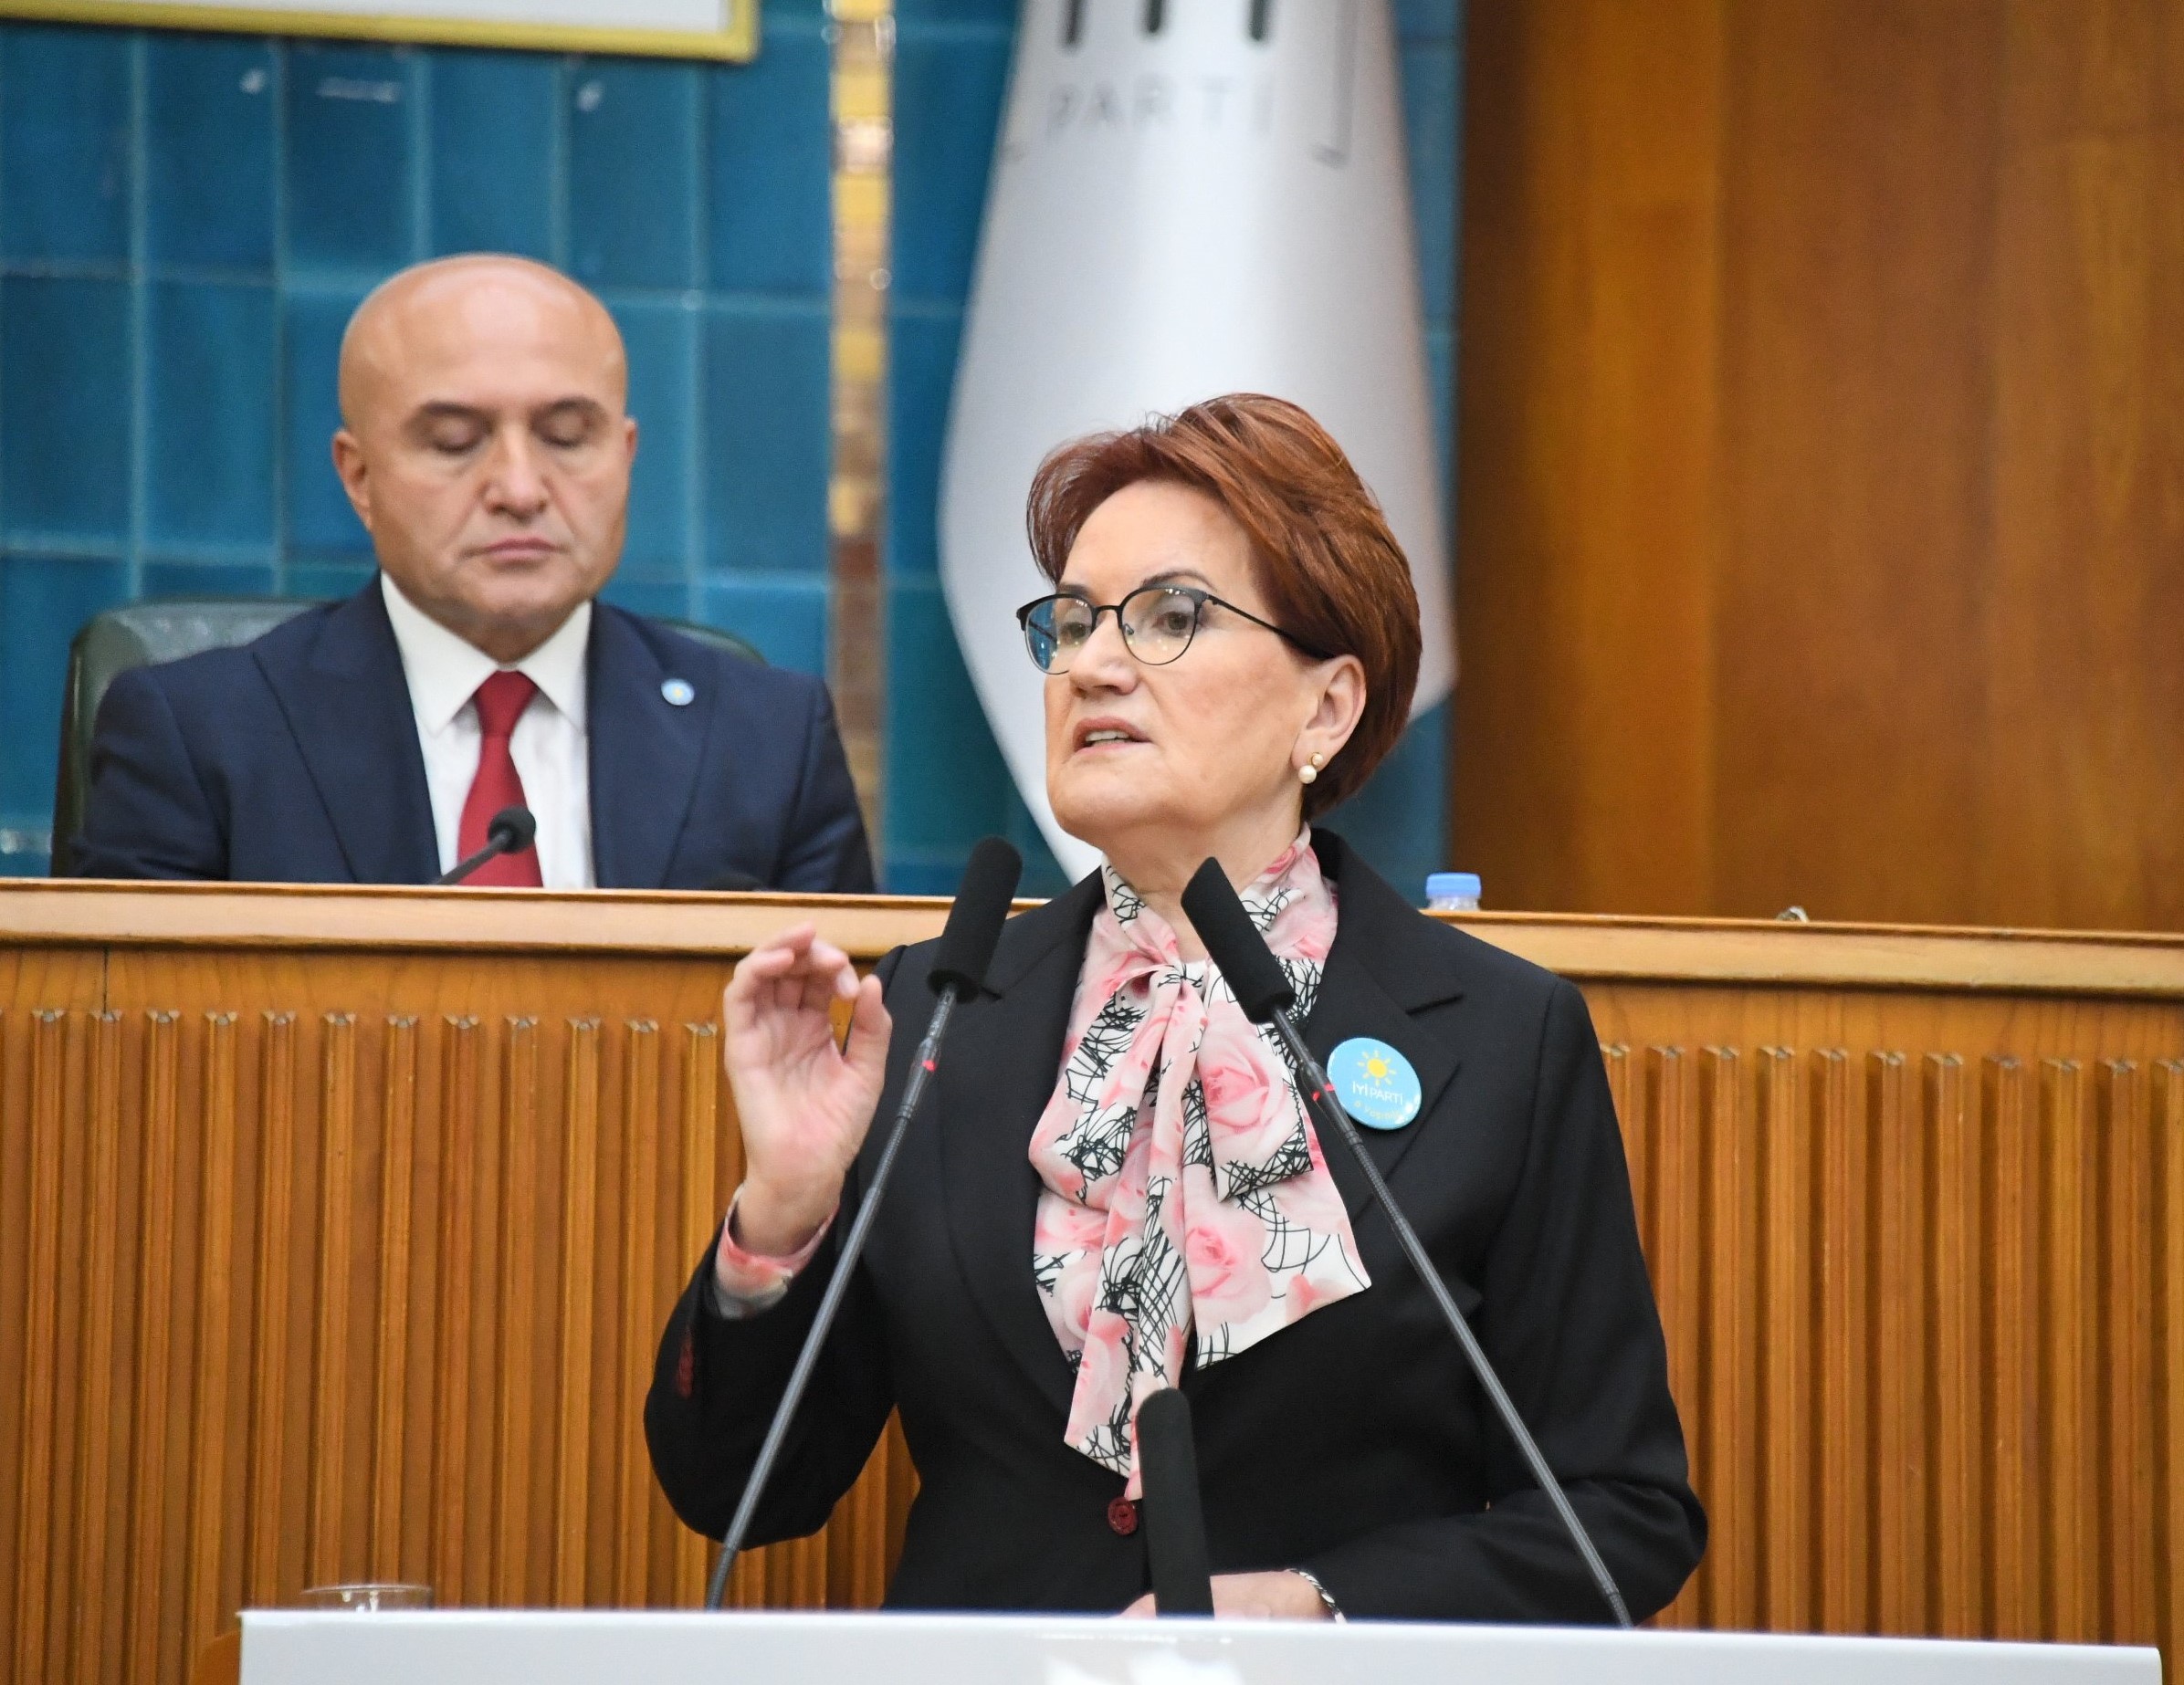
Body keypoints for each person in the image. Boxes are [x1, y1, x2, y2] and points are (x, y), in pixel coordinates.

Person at [646, 394, 1704, 1618]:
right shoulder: (941, 1012)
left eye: (1169, 617)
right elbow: (741, 1491)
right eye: (1075, 621)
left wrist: (1319, 1605)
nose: (1093, 660)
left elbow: (1621, 1516)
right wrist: (781, 1211)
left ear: (1327, 706)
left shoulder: (1498, 1037)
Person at [69, 254, 872, 893]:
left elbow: (843, 1060)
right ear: (359, 478)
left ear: (625, 458)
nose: (520, 491)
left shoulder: (767, 739)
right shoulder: (199, 734)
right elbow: (126, 1062)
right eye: (455, 441)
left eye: (565, 436)